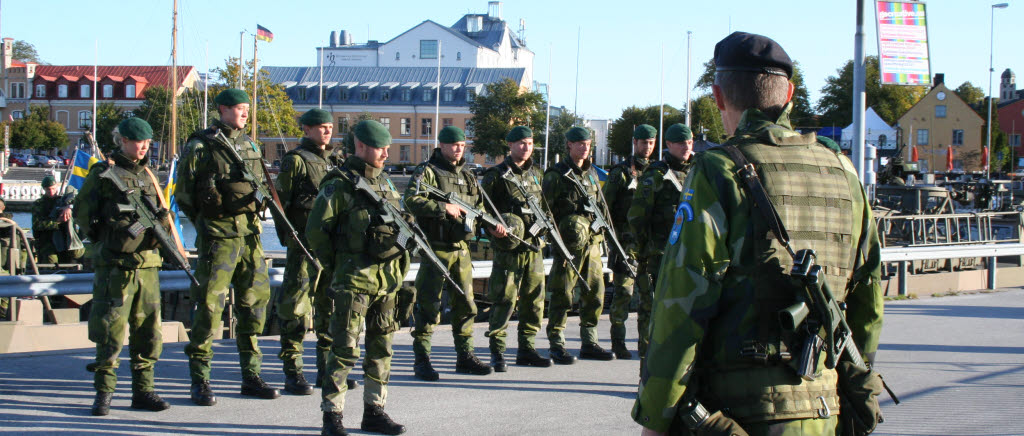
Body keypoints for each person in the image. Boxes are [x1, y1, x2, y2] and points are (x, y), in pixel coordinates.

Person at [633, 32, 884, 435]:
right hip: (826, 406)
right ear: (791, 96)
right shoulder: (844, 170)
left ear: (717, 96)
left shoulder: (719, 170)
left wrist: (656, 414)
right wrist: (857, 386)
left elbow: (682, 302)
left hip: (737, 414)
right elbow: (868, 295)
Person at [176, 88, 279, 406]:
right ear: (222, 109)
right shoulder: (201, 145)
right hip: (218, 239)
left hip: (249, 236)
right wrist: (209, 222)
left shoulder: (249, 145)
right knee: (209, 309)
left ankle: (251, 375)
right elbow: (184, 194)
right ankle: (201, 380)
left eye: (247, 108)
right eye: (238, 108)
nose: (244, 113)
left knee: (253, 309)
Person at [307, 120, 407, 436]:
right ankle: (332, 416)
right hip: (353, 280)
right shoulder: (339, 185)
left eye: (388, 148)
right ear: (361, 146)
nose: (386, 154)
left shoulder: (387, 185)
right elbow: (315, 232)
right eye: (380, 148)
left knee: (382, 347)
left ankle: (374, 411)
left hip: (386, 280)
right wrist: (339, 266)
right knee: (344, 348)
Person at [74, 117, 171, 416]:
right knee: (110, 331)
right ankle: (104, 393)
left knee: (149, 332)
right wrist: (107, 239)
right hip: (116, 266)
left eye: (147, 143)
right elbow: (82, 214)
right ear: (123, 141)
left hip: (147, 266)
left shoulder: (149, 176)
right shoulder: (103, 175)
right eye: (138, 142)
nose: (144, 148)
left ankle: (144, 391)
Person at [404, 125, 498, 380]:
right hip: (436, 248)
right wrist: (441, 206)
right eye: (454, 145)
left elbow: (478, 207)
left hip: (462, 249)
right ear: (442, 145)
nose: (459, 149)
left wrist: (492, 226)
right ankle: (422, 359)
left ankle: (464, 355)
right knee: (428, 305)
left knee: (466, 304)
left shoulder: (468, 176)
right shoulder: (428, 172)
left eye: (462, 145)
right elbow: (411, 200)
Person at [274, 108, 350, 395]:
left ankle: (326, 370)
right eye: (320, 127)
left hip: (331, 247)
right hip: (304, 245)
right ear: (306, 129)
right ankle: (293, 372)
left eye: (330, 126)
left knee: (329, 309)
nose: (327, 131)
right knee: (295, 309)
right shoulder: (295, 160)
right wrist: (290, 239)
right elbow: (280, 202)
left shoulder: (337, 160)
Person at [481, 125, 553, 371]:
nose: (526, 147)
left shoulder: (537, 174)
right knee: (504, 299)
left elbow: (544, 207)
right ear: (509, 146)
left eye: (530, 143)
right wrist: (492, 228)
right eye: (521, 143)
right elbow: (482, 211)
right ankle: (497, 351)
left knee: (534, 301)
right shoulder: (496, 175)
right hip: (509, 249)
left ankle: (527, 348)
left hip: (533, 248)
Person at [542, 126, 615, 363]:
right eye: (580, 144)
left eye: (588, 144)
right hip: (568, 247)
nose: (585, 148)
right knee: (562, 293)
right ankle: (556, 343)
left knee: (595, 293)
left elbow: (602, 208)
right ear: (569, 146)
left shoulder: (593, 174)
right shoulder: (556, 175)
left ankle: (589, 342)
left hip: (592, 244)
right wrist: (557, 243)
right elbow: (546, 213)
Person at [626, 123, 695, 369]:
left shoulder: (698, 172)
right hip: (658, 256)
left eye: (689, 142)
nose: (686, 147)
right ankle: (648, 366)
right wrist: (644, 251)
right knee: (652, 312)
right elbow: (637, 217)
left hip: (689, 257)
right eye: (680, 143)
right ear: (668, 145)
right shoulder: (656, 175)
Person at [603, 124, 656, 360]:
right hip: (625, 244)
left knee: (649, 297)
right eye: (643, 142)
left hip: (650, 245)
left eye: (651, 142)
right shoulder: (621, 172)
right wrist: (613, 243)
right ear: (635, 143)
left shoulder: (658, 172)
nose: (647, 146)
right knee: (623, 293)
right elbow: (606, 208)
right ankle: (618, 342)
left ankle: (646, 344)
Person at [32, 175, 83, 265]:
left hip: (64, 240)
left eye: (53, 189)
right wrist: (57, 222)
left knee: (71, 262)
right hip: (47, 241)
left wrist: (69, 207)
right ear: (44, 189)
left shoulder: (63, 201)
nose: (51, 192)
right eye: (48, 189)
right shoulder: (39, 204)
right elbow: (36, 225)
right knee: (51, 260)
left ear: (56, 187)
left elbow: (79, 202)